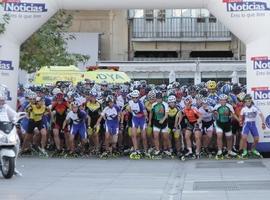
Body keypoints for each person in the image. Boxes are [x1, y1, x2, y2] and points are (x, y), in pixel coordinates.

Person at [0, 91, 22, 176]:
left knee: (17, 141)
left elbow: (14, 115)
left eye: (2, 100)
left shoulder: (5, 107)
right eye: (0, 100)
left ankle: (14, 165)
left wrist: (16, 119)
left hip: (4, 129)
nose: (2, 102)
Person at [214, 94, 239, 159]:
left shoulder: (229, 106)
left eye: (224, 100)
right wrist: (216, 114)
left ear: (226, 100)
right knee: (219, 136)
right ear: (219, 101)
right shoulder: (217, 106)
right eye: (221, 100)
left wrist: (238, 120)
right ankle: (219, 151)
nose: (223, 101)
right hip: (219, 123)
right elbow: (214, 115)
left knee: (229, 137)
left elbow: (233, 115)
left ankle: (229, 151)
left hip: (227, 123)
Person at [128, 90, 148, 158]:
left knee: (143, 136)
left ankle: (145, 150)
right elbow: (129, 109)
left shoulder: (141, 103)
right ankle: (136, 149)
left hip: (142, 119)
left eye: (136, 97)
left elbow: (145, 113)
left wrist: (142, 115)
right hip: (135, 119)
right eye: (133, 97)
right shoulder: (130, 102)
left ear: (138, 97)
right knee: (133, 135)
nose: (135, 99)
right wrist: (132, 112)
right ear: (132, 97)